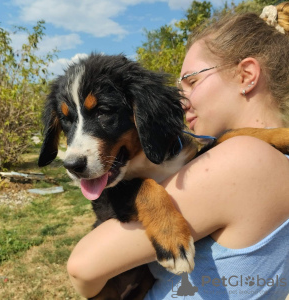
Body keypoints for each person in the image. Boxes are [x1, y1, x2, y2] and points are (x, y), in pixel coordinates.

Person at [67, 2, 289, 299]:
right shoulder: (271, 154)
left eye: (191, 81)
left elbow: (82, 267)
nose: (181, 99)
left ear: (247, 75)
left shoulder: (242, 159)